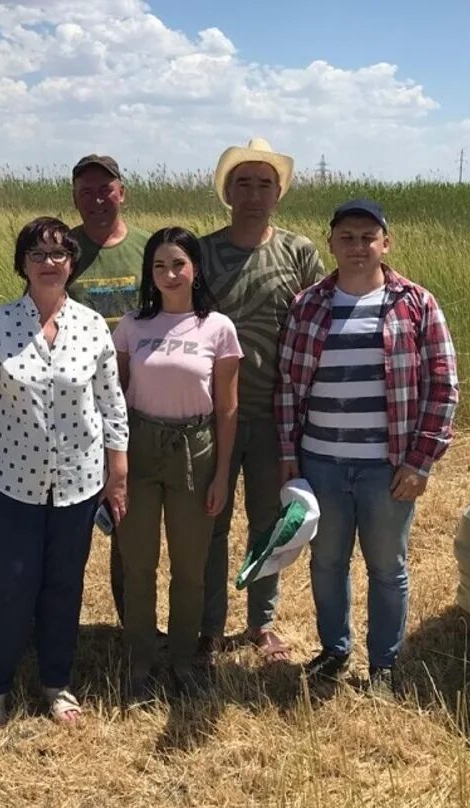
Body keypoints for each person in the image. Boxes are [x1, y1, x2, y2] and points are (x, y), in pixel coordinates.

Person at [276, 199, 459, 699]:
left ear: (386, 243)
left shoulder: (416, 304)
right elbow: (289, 389)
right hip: (322, 464)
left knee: (387, 567)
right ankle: (335, 651)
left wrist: (421, 462)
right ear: (331, 242)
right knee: (327, 563)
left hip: (387, 468)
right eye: (347, 237)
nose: (358, 247)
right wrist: (291, 459)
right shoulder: (308, 305)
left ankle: (384, 666)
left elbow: (444, 387)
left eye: (367, 237)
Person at [0, 216, 129, 726]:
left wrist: (116, 474)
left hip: (78, 484)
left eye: (58, 254)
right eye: (38, 254)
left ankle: (56, 683)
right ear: (23, 265)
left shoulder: (92, 325)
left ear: (71, 262)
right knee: (10, 584)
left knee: (64, 585)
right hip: (13, 483)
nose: (49, 263)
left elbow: (111, 405)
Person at [199, 138, 326, 666]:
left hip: (279, 417)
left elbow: (322, 325)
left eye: (265, 184)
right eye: (243, 183)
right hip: (211, 417)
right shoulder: (201, 251)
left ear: (279, 193)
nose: (254, 194)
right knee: (210, 522)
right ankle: (207, 625)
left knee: (269, 522)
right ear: (228, 191)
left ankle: (262, 622)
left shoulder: (300, 252)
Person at [113, 227, 241, 699]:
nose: (169, 274)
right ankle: (140, 663)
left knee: (190, 568)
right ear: (150, 273)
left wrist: (223, 473)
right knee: (138, 564)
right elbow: (115, 400)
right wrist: (116, 466)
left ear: (196, 268)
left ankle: (185, 661)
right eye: (159, 266)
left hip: (196, 449)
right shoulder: (131, 327)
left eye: (178, 264)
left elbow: (228, 407)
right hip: (140, 447)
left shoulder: (218, 328)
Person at [68, 153, 149, 625]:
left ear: (123, 192)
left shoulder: (146, 248)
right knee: (72, 527)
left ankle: (132, 623)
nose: (97, 199)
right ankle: (61, 624)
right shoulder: (62, 249)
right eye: (86, 191)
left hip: (139, 408)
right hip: (78, 414)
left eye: (106, 189)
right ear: (75, 198)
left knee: (130, 526)